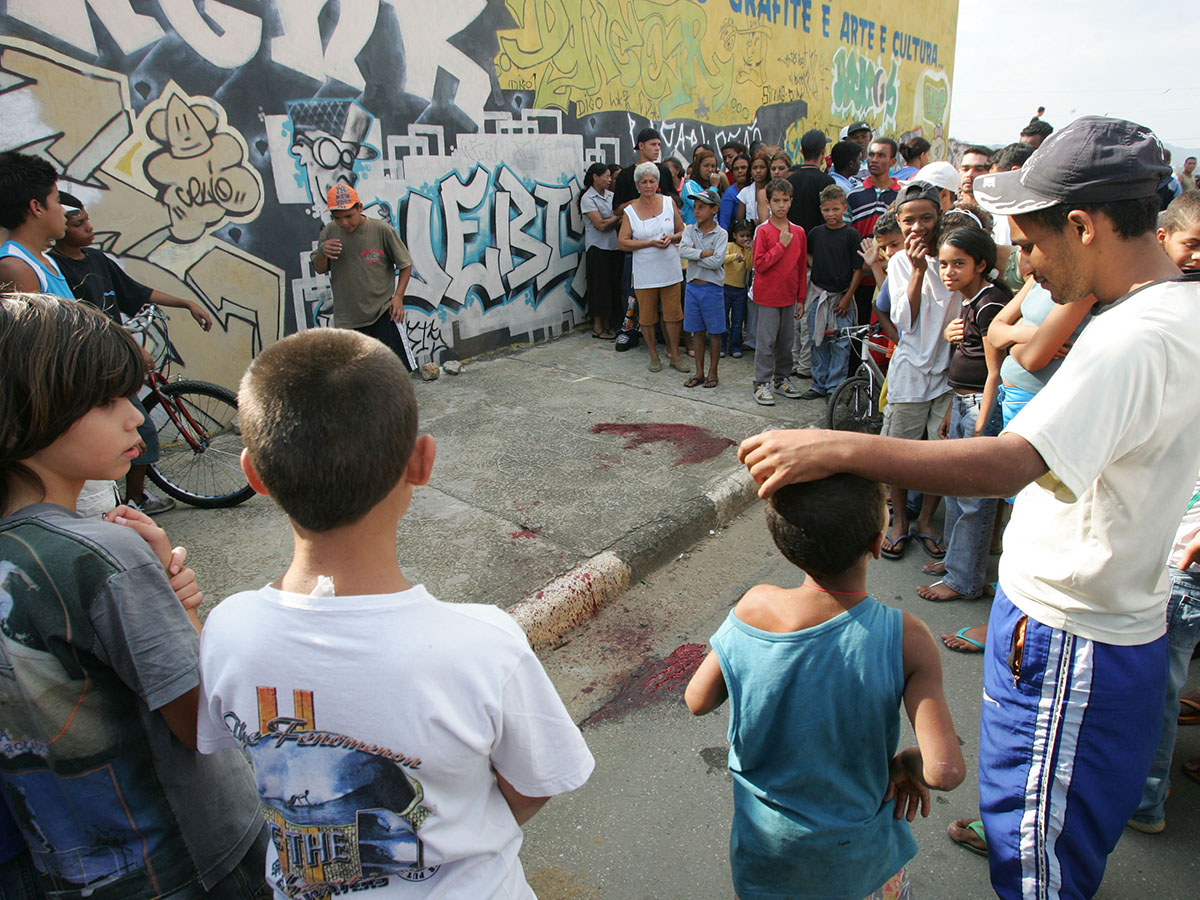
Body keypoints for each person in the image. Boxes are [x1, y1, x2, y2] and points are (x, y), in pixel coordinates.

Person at [738, 116, 1200, 900]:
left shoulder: (1131, 340)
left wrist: (840, 447)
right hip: (1091, 624)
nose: (1027, 267)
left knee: (1038, 865)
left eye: (1030, 245)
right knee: (1042, 819)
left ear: (1083, 226)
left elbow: (1008, 462)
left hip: (1069, 641)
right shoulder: (1171, 309)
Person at [196, 327, 594, 897]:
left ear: (253, 475)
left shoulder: (227, 630)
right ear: (422, 462)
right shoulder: (485, 644)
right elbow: (535, 783)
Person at [0, 293, 265, 899]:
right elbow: (206, 722)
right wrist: (182, 609)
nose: (135, 417)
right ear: (21, 414)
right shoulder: (102, 555)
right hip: (196, 860)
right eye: (106, 400)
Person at [684, 472, 964, 900]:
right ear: (877, 543)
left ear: (787, 547)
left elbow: (697, 699)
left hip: (766, 859)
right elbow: (944, 772)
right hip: (857, 866)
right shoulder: (906, 636)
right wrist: (910, 761)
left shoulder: (754, 606)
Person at [49, 192, 215, 515]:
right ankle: (134, 499)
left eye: (87, 220)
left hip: (117, 358)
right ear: (59, 227)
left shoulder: (96, 260)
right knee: (142, 431)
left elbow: (137, 291)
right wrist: (134, 348)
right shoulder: (57, 269)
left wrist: (186, 303)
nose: (89, 227)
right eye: (79, 223)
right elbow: (87, 320)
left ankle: (132, 496)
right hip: (97, 366)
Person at [1127, 189, 1200, 834]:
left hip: (1184, 548)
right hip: (1164, 533)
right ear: (1163, 239)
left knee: (1160, 680)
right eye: (1193, 244)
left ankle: (1146, 796)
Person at [915, 226, 1009, 603]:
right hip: (964, 403)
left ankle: (964, 579)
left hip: (980, 408)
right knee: (956, 492)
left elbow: (995, 372)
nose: (948, 272)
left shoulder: (989, 304)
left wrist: (981, 424)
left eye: (958, 264)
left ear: (981, 265)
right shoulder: (972, 301)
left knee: (972, 498)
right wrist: (953, 408)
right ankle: (956, 562)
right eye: (943, 264)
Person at [874, 182, 955, 561]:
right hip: (910, 374)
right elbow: (904, 321)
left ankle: (925, 520)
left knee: (940, 457)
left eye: (926, 218)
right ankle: (900, 522)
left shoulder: (955, 256)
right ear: (899, 220)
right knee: (899, 455)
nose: (918, 227)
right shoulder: (899, 263)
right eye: (909, 221)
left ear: (940, 216)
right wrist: (918, 271)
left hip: (949, 375)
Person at [311, 183, 416, 369]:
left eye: (349, 216)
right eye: (338, 218)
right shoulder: (329, 233)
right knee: (355, 374)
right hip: (347, 319)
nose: (344, 223)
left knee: (398, 369)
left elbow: (405, 264)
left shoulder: (381, 230)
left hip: (382, 312)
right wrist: (322, 252)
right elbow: (320, 268)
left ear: (360, 208)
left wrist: (398, 297)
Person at [618, 161, 689, 373]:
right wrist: (649, 243)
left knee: (674, 314)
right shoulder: (630, 211)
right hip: (644, 270)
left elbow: (682, 230)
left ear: (657, 183)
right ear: (637, 185)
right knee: (647, 316)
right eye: (644, 182)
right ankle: (653, 356)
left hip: (669, 267)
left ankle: (675, 355)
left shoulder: (668, 202)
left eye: (651, 181)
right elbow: (623, 242)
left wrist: (672, 238)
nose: (648, 185)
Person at [802, 185, 864, 401]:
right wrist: (819, 266)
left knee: (841, 344)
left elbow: (858, 269)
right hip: (819, 297)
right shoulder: (816, 233)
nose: (831, 214)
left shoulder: (851, 235)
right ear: (821, 209)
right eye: (827, 210)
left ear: (844, 208)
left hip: (840, 298)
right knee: (818, 340)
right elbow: (808, 254)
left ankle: (834, 388)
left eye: (835, 209)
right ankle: (819, 384)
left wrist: (847, 297)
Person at [750, 179, 806, 406]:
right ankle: (761, 382)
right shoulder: (763, 231)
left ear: (791, 201)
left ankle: (782, 379)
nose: (781, 205)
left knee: (786, 342)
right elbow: (759, 264)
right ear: (768, 202)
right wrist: (780, 246)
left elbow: (801, 266)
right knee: (766, 342)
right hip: (767, 296)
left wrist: (801, 298)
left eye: (785, 200)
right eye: (776, 201)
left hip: (789, 296)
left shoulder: (799, 232)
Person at [847, 140, 901, 352]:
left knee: (885, 339)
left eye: (881, 155)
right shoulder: (854, 195)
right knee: (858, 338)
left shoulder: (902, 196)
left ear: (893, 161)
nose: (874, 160)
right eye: (871, 155)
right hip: (859, 279)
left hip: (891, 280)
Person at [0, 151, 70, 296]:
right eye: (57, 201)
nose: (64, 211)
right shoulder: (16, 267)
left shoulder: (47, 261)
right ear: (37, 207)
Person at [679, 189, 728, 388]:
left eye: (702, 207)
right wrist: (702, 254)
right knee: (696, 332)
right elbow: (682, 250)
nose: (697, 211)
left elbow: (717, 261)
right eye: (695, 207)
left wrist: (695, 256)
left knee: (715, 332)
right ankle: (699, 372)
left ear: (714, 210)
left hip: (712, 288)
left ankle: (712, 372)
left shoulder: (721, 233)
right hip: (693, 287)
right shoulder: (690, 230)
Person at [580, 163, 622, 339]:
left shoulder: (611, 196)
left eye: (610, 176)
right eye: (606, 176)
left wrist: (613, 219)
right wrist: (617, 217)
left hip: (613, 246)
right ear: (595, 177)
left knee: (611, 287)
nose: (609, 180)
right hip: (597, 248)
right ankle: (598, 327)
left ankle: (608, 324)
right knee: (599, 288)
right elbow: (600, 225)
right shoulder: (588, 198)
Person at [786, 129, 834, 235]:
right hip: (818, 240)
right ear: (823, 151)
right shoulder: (826, 181)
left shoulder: (789, 181)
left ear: (802, 152)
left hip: (793, 239)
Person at [723, 220, 753, 359]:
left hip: (740, 289)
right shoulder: (729, 246)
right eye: (742, 236)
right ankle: (722, 346)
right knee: (723, 319)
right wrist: (735, 257)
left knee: (737, 320)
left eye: (748, 236)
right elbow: (722, 259)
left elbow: (749, 266)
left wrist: (748, 251)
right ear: (734, 235)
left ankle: (736, 346)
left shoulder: (748, 250)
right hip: (725, 287)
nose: (745, 239)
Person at [681, 147, 721, 225]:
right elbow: (701, 206)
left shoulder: (716, 183)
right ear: (698, 167)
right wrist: (714, 187)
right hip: (693, 230)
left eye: (713, 166)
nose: (710, 169)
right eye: (706, 166)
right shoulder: (690, 185)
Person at [736, 150, 772, 225]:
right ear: (750, 171)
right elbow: (740, 221)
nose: (758, 171)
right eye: (755, 168)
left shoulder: (773, 190)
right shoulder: (745, 192)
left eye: (762, 167)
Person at [719, 153, 751, 231]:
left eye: (743, 168)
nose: (740, 171)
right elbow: (724, 223)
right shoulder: (729, 194)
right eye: (736, 169)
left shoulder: (756, 188)